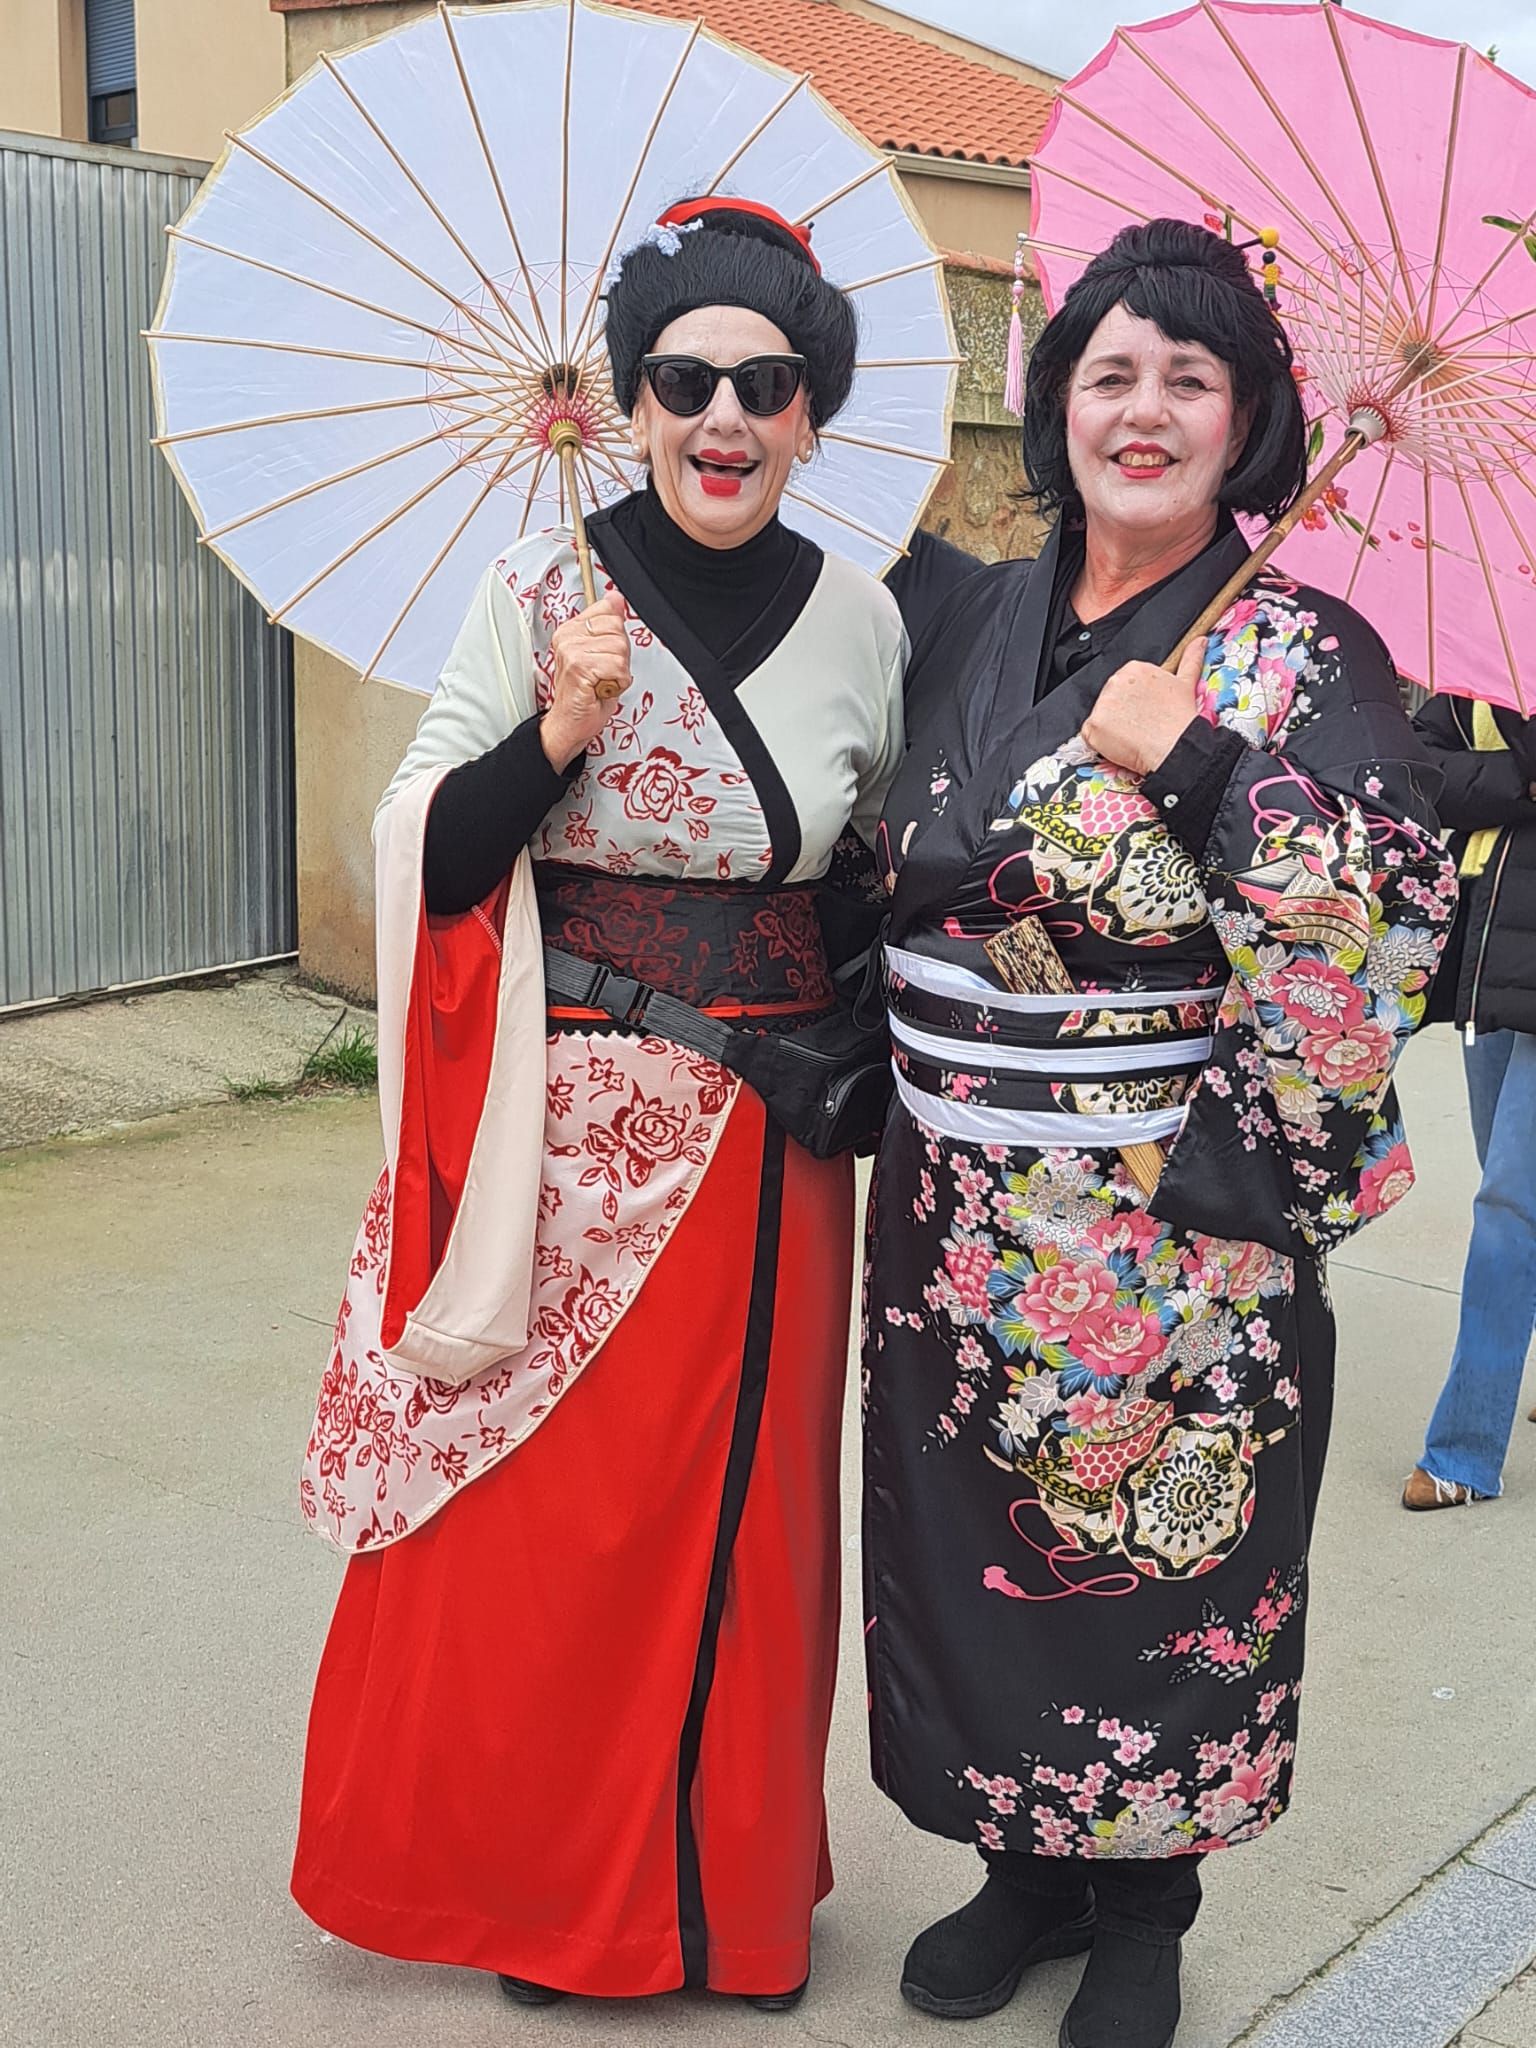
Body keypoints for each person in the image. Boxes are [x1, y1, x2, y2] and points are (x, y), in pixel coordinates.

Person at [289, 198, 906, 2011]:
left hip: (778, 1140)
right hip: (575, 1139)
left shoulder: (864, 619)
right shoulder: (539, 594)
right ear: (629, 403)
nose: (724, 416)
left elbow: (868, 872)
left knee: (755, 1521)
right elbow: (428, 854)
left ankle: (734, 1906)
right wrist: (554, 730)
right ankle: (563, 1899)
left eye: (766, 384)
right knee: (560, 1520)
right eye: (685, 379)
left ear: (811, 414)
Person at [861, 220, 1455, 2048]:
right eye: (1108, 371)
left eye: (1189, 378)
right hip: (955, 1204)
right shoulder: (967, 614)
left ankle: (1147, 1909)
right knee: (978, 1551)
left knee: (1161, 1555)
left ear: (1250, 418)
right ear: (1054, 402)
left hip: (1169, 1223)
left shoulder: (1309, 651)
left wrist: (1201, 767)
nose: (1144, 409)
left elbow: (1385, 932)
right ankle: (1024, 1867)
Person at [1402, 695, 1536, 1509]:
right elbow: (1419, 772)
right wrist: (1521, 777)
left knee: (1509, 1205)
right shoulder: (1491, 669)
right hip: (1490, 962)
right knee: (1513, 1191)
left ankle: (1464, 1450)